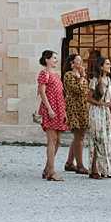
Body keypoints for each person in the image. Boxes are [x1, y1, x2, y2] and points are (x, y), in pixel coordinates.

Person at [37, 50, 68, 181]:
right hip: (50, 110)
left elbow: (60, 95)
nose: (56, 60)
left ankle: (47, 168)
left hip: (59, 109)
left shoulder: (55, 75)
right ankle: (51, 172)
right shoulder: (44, 74)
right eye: (54, 58)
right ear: (47, 60)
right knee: (52, 140)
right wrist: (49, 109)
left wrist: (64, 111)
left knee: (58, 141)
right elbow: (42, 93)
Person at [86, 56, 111, 179]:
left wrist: (109, 113)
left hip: (105, 112)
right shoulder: (95, 80)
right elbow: (88, 98)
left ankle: (104, 170)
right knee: (97, 140)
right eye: (107, 64)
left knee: (106, 140)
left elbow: (107, 99)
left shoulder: (108, 79)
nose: (110, 66)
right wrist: (102, 104)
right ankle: (94, 170)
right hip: (96, 112)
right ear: (101, 66)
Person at [62, 54, 90, 175]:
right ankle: (80, 165)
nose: (80, 63)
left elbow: (86, 90)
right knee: (78, 136)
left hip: (82, 107)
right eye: (78, 61)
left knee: (79, 136)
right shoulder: (68, 75)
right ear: (72, 63)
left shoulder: (81, 76)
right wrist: (82, 77)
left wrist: (82, 77)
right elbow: (78, 89)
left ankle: (69, 163)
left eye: (81, 61)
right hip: (74, 108)